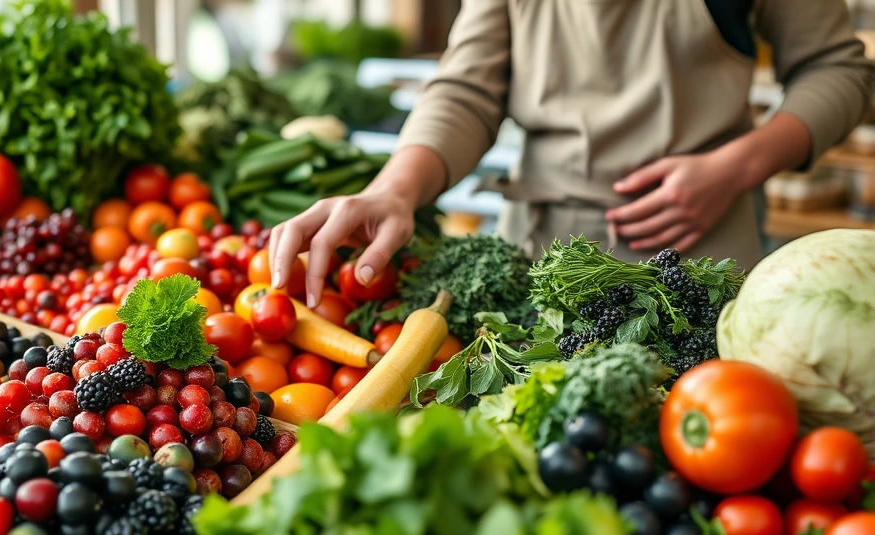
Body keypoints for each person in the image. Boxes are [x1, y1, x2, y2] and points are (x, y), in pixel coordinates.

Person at [270, 0, 873, 309]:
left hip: (702, 264)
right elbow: (468, 89)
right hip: (536, 256)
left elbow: (839, 70)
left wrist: (739, 165)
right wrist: (393, 190)